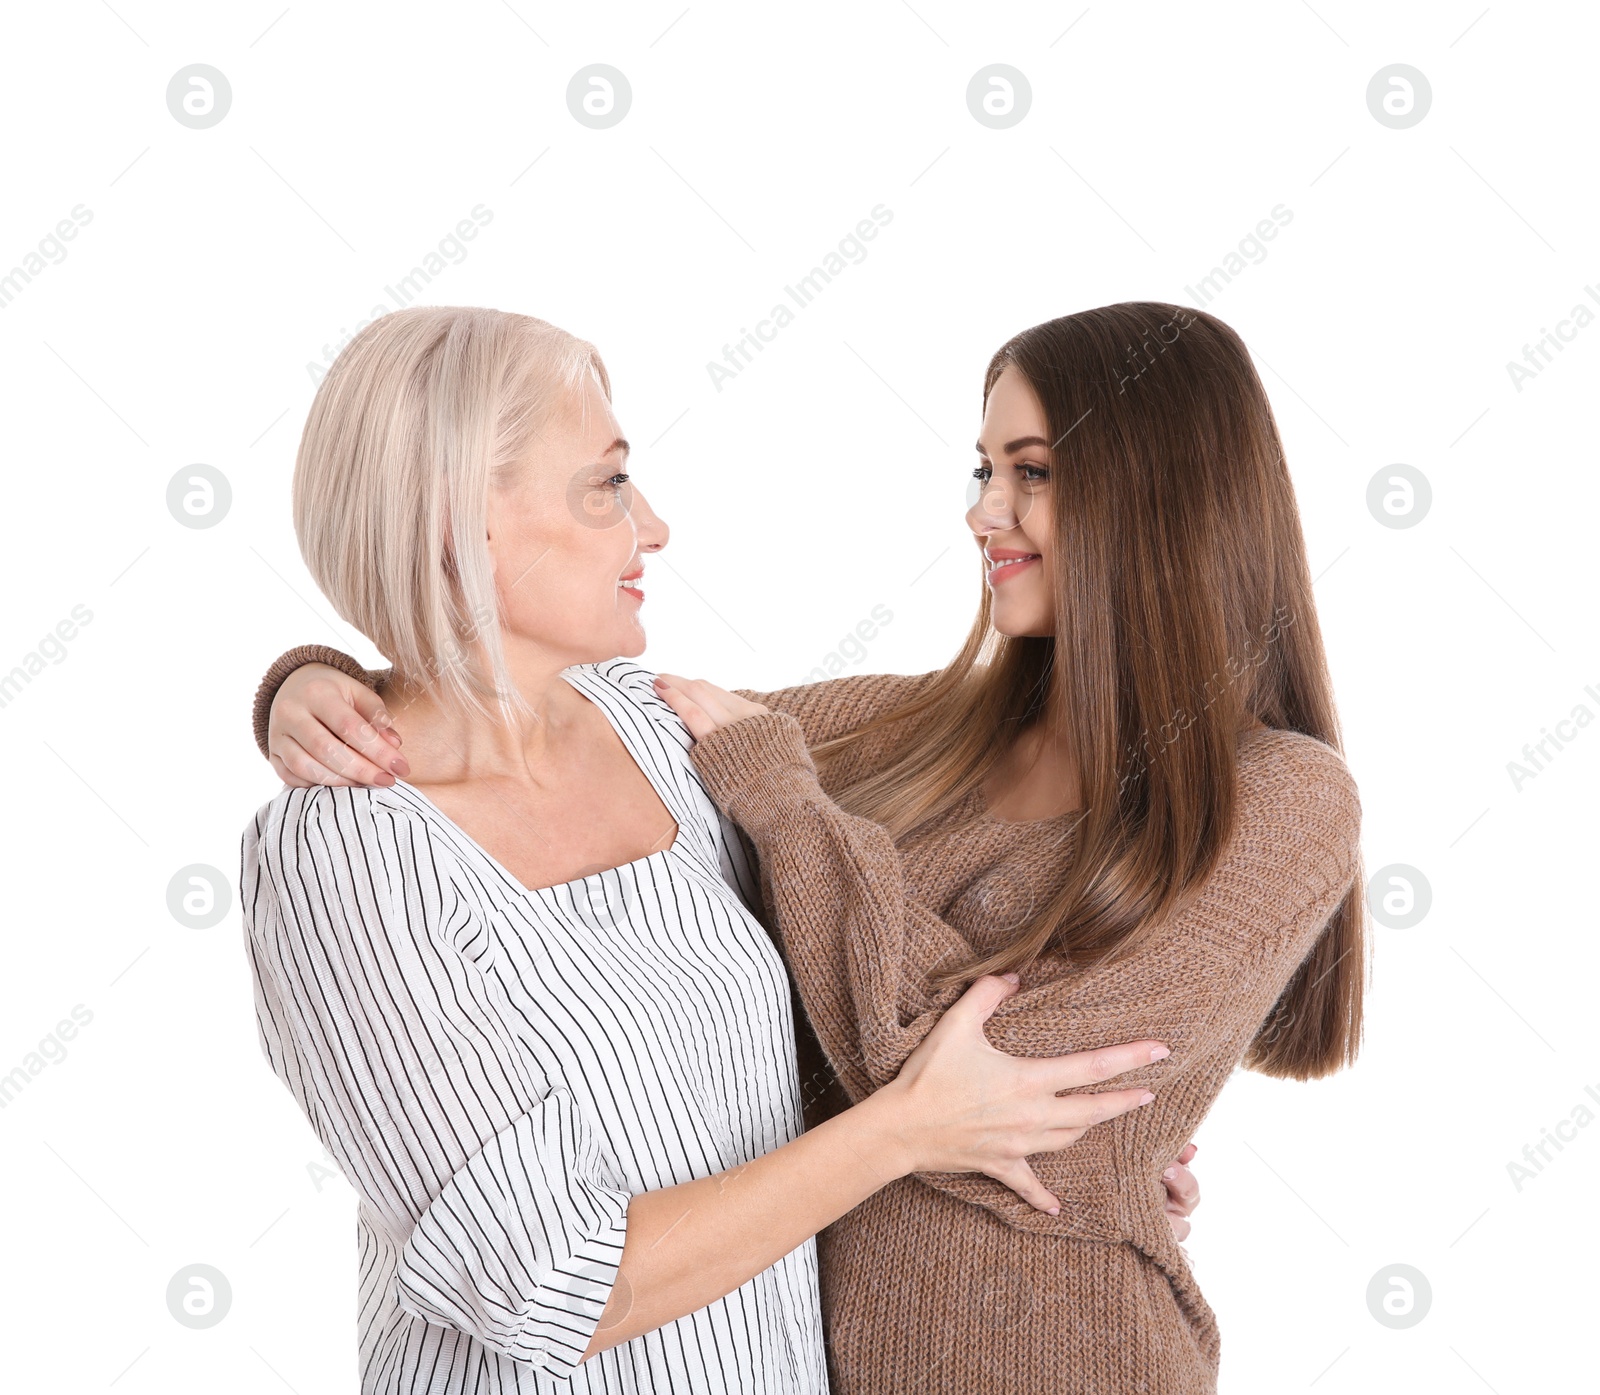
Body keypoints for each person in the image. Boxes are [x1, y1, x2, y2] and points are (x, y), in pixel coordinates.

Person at [239, 304, 1186, 1395]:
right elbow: (545, 1283)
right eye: (605, 486)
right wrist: (911, 1131)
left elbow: (981, 754)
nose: (653, 526)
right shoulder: (347, 858)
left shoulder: (658, 726)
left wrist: (1086, 1152)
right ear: (458, 522)